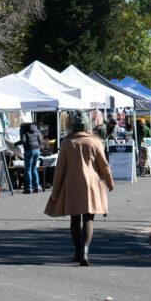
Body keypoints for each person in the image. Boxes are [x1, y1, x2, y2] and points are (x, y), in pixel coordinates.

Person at [44, 111, 114, 266]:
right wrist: (110, 183)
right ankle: (85, 250)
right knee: (88, 218)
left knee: (75, 218)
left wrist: (55, 192)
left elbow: (60, 170)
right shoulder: (95, 142)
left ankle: (77, 251)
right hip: (92, 184)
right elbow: (104, 166)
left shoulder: (67, 143)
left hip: (72, 184)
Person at [17, 123, 42, 193]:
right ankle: (37, 187)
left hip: (29, 149)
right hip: (37, 149)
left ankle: (28, 188)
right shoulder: (36, 129)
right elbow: (40, 141)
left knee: (28, 169)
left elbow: (23, 140)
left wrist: (15, 144)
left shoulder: (23, 130)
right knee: (34, 168)